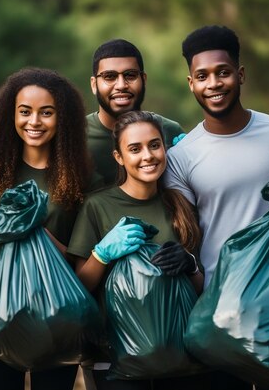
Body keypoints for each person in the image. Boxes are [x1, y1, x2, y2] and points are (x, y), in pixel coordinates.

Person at [162, 25, 269, 389]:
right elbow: (187, 232)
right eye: (202, 76)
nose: (214, 84)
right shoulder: (180, 156)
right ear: (191, 83)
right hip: (218, 309)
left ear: (239, 75)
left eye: (222, 72)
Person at [0, 67, 99, 390]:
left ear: (62, 118)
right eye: (24, 112)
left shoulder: (81, 176)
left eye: (46, 113)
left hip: (57, 309)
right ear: (11, 114)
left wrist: (36, 232)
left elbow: (80, 256)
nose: (34, 122)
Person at [68, 110, 205, 390]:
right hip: (117, 360)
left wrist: (190, 265)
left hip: (181, 359)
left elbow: (201, 289)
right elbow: (80, 286)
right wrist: (101, 254)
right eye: (135, 149)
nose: (148, 156)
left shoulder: (180, 205)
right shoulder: (98, 206)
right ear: (119, 157)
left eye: (155, 145)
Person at [88, 39, 185, 186]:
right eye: (110, 77)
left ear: (144, 80)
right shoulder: (74, 137)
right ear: (94, 84)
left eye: (130, 75)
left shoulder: (170, 131)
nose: (121, 85)